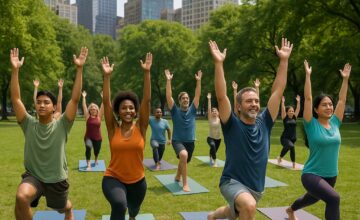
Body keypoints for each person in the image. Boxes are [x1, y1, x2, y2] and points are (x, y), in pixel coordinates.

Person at [207, 38, 293, 219]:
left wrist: (283, 61)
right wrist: (219, 63)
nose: (254, 104)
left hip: (257, 187)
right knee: (248, 206)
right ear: (238, 106)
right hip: (232, 182)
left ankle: (213, 216)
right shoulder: (231, 124)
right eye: (248, 101)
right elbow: (222, 96)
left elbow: (277, 91)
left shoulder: (265, 122)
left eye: (256, 101)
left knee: (238, 210)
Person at [11, 47, 88, 220]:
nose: (42, 105)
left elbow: (75, 99)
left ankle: (68, 208)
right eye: (39, 102)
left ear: (54, 107)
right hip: (34, 177)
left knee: (62, 208)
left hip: (56, 180)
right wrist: (15, 70)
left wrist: (79, 69)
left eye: (46, 102)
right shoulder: (28, 123)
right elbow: (16, 99)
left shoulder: (62, 125)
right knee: (21, 197)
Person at [286, 61, 351, 220]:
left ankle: (291, 209)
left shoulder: (335, 122)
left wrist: (345, 79)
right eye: (324, 105)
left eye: (330, 104)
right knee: (334, 199)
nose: (329, 107)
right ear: (316, 109)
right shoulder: (311, 124)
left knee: (311, 198)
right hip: (311, 174)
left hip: (331, 175)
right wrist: (308, 76)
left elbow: (342, 101)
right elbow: (308, 98)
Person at [101, 53, 152, 220]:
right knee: (119, 205)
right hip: (113, 178)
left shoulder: (141, 127)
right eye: (124, 108)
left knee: (133, 211)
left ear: (135, 110)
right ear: (118, 111)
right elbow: (107, 101)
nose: (128, 111)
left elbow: (146, 100)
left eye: (131, 108)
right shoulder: (112, 128)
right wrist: (107, 77)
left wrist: (146, 73)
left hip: (138, 181)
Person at [164, 69, 202, 192]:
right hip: (177, 140)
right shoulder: (175, 111)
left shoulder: (192, 110)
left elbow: (197, 95)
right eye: (183, 98)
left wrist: (198, 81)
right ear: (179, 101)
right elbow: (169, 96)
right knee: (183, 155)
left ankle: (178, 175)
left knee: (185, 160)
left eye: (187, 98)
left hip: (190, 141)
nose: (186, 100)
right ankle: (185, 183)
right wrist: (168, 80)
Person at [81, 90, 104, 170]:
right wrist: (84, 97)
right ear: (89, 110)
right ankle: (88, 165)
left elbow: (103, 106)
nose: (93, 110)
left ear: (97, 110)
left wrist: (103, 98)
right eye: (91, 109)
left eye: (94, 109)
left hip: (98, 138)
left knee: (96, 151)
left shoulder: (99, 116)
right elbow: (84, 106)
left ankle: (96, 159)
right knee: (88, 150)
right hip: (88, 137)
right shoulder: (87, 117)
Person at [277, 95, 300, 169]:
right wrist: (282, 102)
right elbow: (283, 109)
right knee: (291, 146)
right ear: (287, 112)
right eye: (290, 111)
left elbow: (298, 109)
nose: (292, 112)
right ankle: (280, 157)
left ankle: (292, 163)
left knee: (291, 149)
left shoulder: (294, 117)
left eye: (292, 111)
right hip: (285, 138)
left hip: (293, 138)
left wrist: (298, 102)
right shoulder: (285, 118)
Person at [206, 93, 221, 167]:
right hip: (210, 137)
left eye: (215, 111)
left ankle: (210, 156)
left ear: (218, 113)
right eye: (213, 111)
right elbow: (209, 109)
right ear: (211, 113)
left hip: (218, 139)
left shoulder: (220, 119)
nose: (214, 112)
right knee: (212, 146)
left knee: (214, 150)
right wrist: (209, 99)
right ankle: (215, 162)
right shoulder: (210, 118)